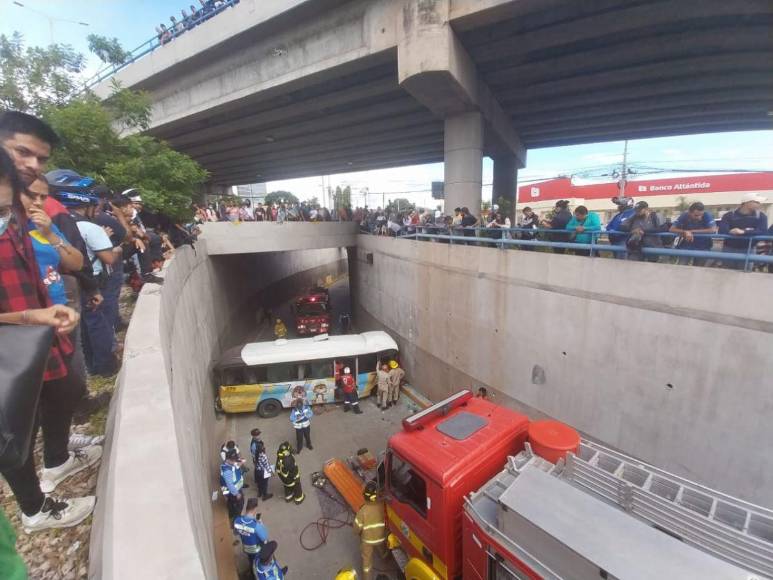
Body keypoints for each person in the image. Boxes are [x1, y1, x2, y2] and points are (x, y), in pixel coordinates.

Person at [0, 147, 99, 533]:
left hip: (46, 329)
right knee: (16, 424)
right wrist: (27, 317)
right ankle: (35, 508)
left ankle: (57, 458)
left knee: (65, 391)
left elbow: (74, 263)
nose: (39, 202)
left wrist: (50, 235)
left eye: (44, 196)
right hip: (19, 337)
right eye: (31, 195)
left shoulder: (28, 228)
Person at [54, 189, 119, 376]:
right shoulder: (91, 228)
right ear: (87, 206)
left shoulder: (60, 226)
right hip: (93, 280)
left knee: (83, 328)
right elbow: (108, 258)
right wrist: (116, 248)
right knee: (99, 324)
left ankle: (92, 367)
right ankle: (106, 366)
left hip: (72, 282)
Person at [718, 193, 768, 270]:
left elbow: (763, 231)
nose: (759, 204)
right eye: (757, 202)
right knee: (727, 275)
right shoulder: (729, 215)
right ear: (747, 203)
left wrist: (743, 231)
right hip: (729, 249)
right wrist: (731, 231)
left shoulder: (761, 216)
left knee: (745, 276)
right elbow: (722, 231)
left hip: (749, 249)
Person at [353, 481, 387, 580]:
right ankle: (385, 557)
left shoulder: (362, 511)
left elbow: (357, 527)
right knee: (382, 548)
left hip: (367, 541)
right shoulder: (382, 505)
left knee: (366, 560)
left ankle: (367, 578)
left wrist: (356, 532)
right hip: (381, 538)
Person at [669, 202, 717, 266]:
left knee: (698, 271)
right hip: (687, 246)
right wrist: (685, 232)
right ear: (689, 212)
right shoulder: (684, 215)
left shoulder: (707, 215)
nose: (699, 217)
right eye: (696, 215)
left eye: (701, 215)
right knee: (681, 268)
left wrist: (690, 231)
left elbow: (713, 230)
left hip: (703, 247)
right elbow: (671, 229)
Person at [233, 498, 269, 564]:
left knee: (251, 560)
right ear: (254, 509)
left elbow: (235, 533)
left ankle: (251, 565)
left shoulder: (237, 520)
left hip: (246, 548)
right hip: (256, 550)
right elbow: (265, 537)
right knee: (257, 561)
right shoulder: (256, 525)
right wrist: (261, 524)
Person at [220, 449, 245, 525]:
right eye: (233, 460)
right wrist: (236, 494)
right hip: (232, 492)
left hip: (232, 491)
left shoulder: (229, 465)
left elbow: (235, 466)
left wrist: (239, 463)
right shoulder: (227, 471)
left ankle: (231, 514)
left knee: (231, 503)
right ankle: (236, 521)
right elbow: (230, 485)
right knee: (239, 506)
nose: (235, 462)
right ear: (228, 459)